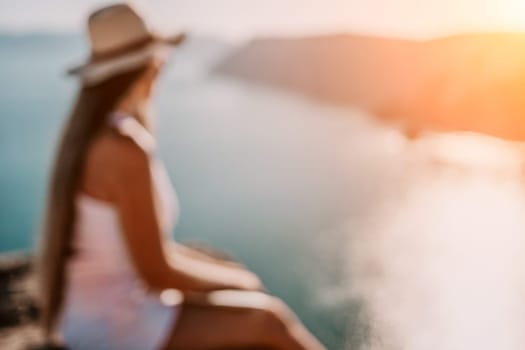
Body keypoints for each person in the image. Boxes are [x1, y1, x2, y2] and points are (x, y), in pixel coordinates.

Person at [37, 3, 326, 350]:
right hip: (116, 328)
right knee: (271, 320)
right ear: (148, 66)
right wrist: (240, 281)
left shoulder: (90, 137)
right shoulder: (124, 149)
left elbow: (141, 254)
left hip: (88, 319)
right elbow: (156, 272)